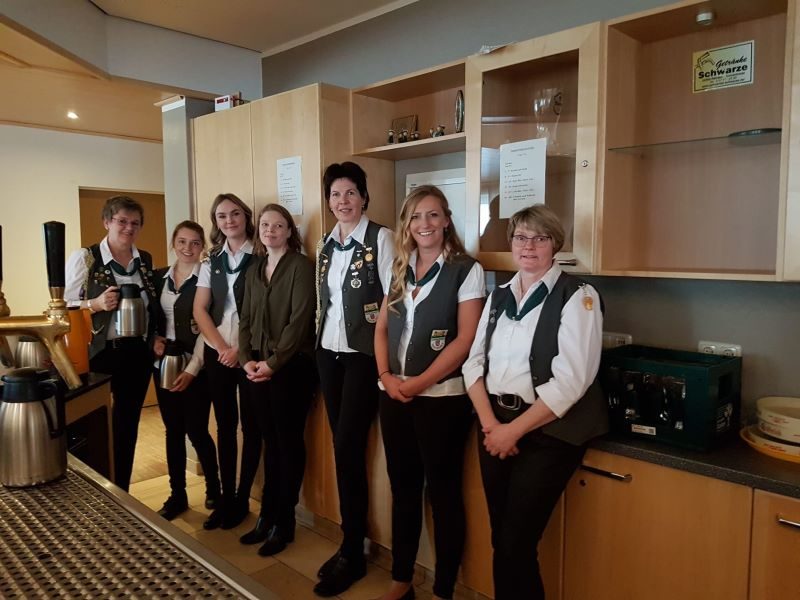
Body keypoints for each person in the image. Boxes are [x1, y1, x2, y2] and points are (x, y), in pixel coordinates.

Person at [462, 204, 608, 600]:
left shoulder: (577, 296)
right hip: (495, 424)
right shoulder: (499, 296)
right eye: (521, 237)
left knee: (516, 543)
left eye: (539, 238)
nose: (528, 246)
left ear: (555, 244)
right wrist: (491, 425)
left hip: (549, 432)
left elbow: (572, 380)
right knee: (502, 538)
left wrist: (512, 431)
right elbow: (473, 364)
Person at [373, 186, 485, 600]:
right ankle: (401, 578)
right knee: (402, 489)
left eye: (433, 215)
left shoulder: (465, 270)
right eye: (416, 216)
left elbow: (465, 340)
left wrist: (418, 384)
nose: (425, 224)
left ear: (447, 220)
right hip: (394, 395)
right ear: (406, 224)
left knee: (443, 494)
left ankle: (443, 589)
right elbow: (381, 329)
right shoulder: (399, 268)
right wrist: (386, 375)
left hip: (441, 400)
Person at [313, 161, 394, 597]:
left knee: (347, 446)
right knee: (342, 449)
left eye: (350, 193)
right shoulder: (326, 244)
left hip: (364, 356)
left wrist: (384, 360)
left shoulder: (381, 238)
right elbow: (324, 302)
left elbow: (394, 300)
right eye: (335, 194)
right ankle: (351, 543)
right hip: (329, 355)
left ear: (364, 196)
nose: (342, 201)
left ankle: (353, 550)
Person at [237, 204, 316, 556]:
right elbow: (245, 320)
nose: (270, 230)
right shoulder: (254, 269)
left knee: (288, 443)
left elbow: (299, 322)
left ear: (289, 232)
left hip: (291, 367)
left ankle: (285, 522)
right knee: (270, 441)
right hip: (256, 367)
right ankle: (266, 516)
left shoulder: (300, 266)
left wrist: (272, 363)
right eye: (265, 225)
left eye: (278, 225)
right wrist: (246, 360)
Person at [65, 195, 158, 491]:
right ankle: (91, 492)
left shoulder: (144, 259)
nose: (128, 228)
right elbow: (64, 306)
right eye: (122, 221)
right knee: (91, 424)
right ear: (106, 222)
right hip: (99, 353)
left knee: (127, 426)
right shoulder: (85, 257)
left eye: (135, 223)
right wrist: (94, 304)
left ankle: (122, 492)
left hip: (137, 354)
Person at [192, 193, 259, 530]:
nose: (229, 220)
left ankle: (242, 499)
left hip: (251, 354)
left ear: (246, 217)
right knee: (225, 425)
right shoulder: (211, 260)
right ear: (215, 222)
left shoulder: (261, 255)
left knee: (252, 426)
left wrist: (239, 351)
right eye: (222, 216)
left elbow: (264, 312)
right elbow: (199, 309)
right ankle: (225, 498)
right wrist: (221, 348)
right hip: (218, 352)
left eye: (235, 214)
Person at [151, 220, 221, 520]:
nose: (188, 248)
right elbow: (151, 318)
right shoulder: (158, 278)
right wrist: (153, 339)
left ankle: (214, 489)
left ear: (202, 246)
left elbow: (209, 328)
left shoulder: (207, 278)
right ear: (173, 243)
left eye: (195, 242)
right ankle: (177, 494)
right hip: (164, 364)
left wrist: (193, 368)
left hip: (197, 366)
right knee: (173, 431)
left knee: (196, 430)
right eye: (182, 241)